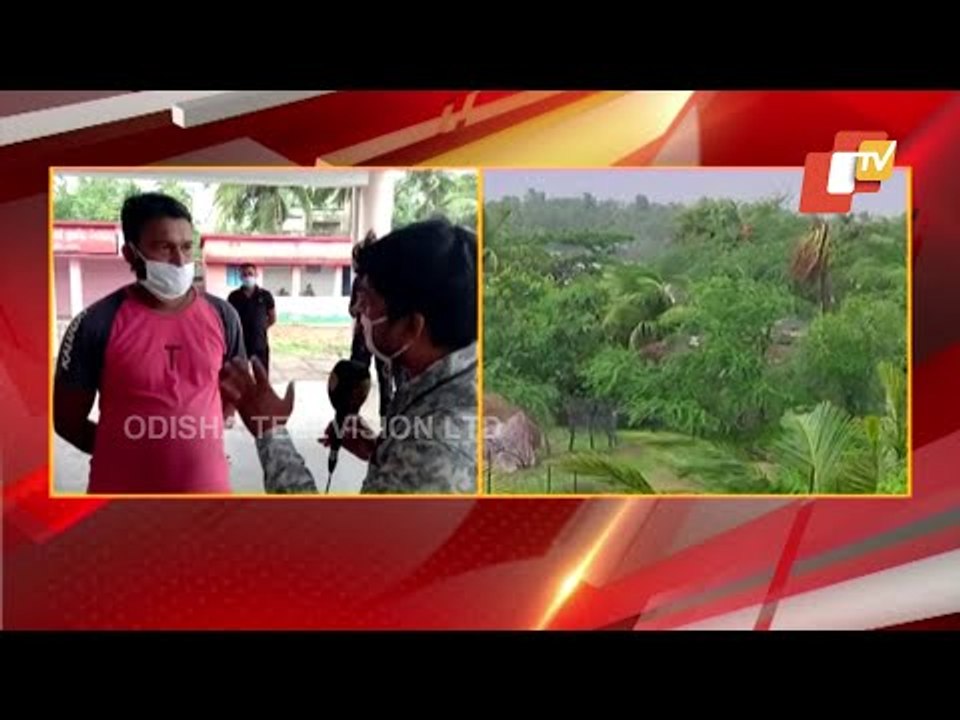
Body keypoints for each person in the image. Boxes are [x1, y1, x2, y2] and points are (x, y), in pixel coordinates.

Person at [220, 217, 478, 494]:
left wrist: (270, 432)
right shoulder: (437, 386)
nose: (357, 311)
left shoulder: (443, 444)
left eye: (367, 301)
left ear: (412, 327)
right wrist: (380, 451)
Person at [54, 192, 245, 493]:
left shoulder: (224, 316)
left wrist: (202, 446)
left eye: (185, 246)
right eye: (164, 247)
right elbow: (67, 421)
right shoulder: (94, 323)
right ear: (130, 253)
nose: (181, 261)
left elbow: (235, 391)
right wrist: (128, 453)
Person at [349, 230, 394, 420]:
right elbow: (351, 309)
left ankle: (387, 419)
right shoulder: (358, 282)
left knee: (386, 380)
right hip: (362, 337)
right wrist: (360, 309)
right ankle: (351, 415)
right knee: (356, 376)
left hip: (385, 337)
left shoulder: (390, 282)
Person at [227, 263, 276, 375]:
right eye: (244, 274)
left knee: (262, 376)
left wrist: (261, 328)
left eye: (250, 273)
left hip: (259, 343)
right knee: (240, 377)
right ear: (240, 277)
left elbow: (272, 318)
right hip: (240, 343)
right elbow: (230, 319)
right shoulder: (233, 296)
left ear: (256, 275)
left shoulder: (265, 295)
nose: (247, 276)